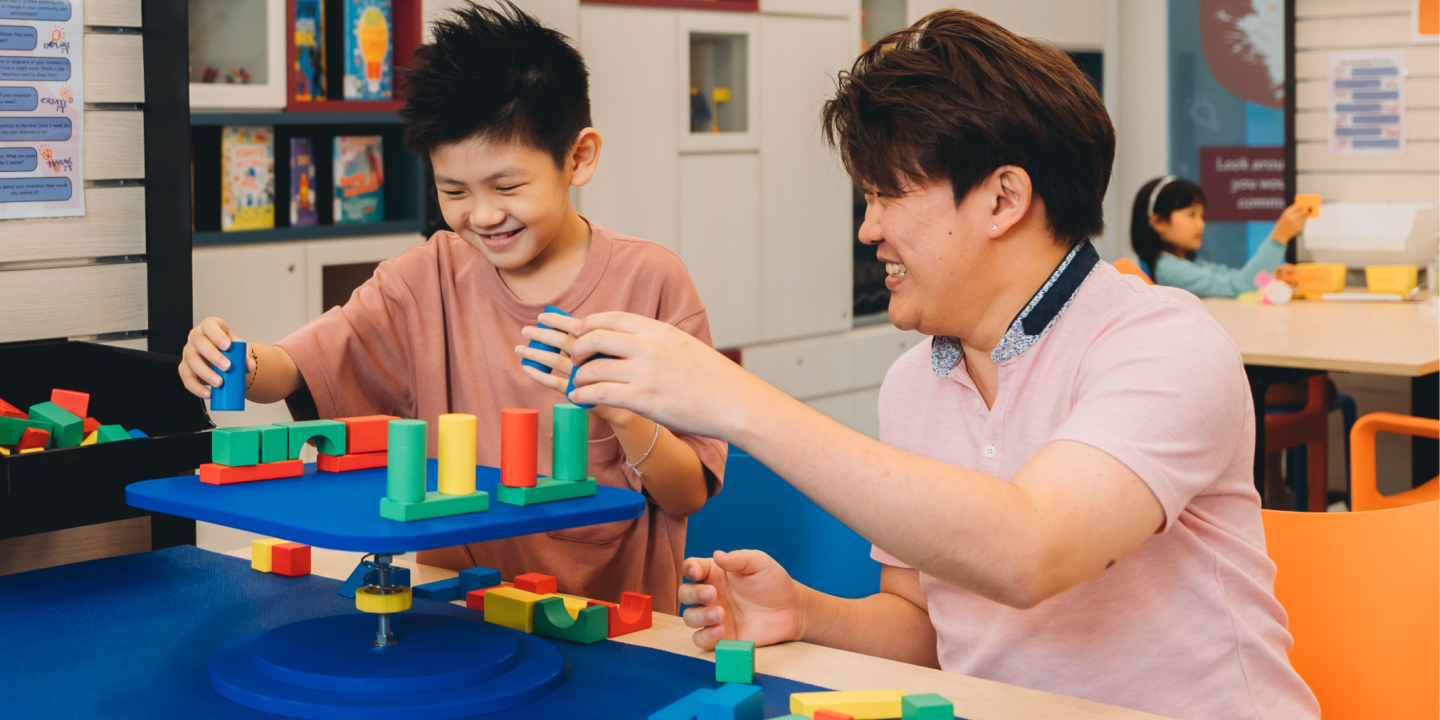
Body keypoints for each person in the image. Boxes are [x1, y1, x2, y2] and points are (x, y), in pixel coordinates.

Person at [543, 10, 1319, 720]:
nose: (869, 229)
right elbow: (930, 629)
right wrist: (807, 615)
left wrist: (737, 400)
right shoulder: (913, 383)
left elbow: (1028, 552)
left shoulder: (1163, 342)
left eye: (888, 196)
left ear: (1002, 199)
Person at [176, 2, 725, 613]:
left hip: (611, 631)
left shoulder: (652, 284)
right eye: (454, 191)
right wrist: (237, 362)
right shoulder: (425, 277)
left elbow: (686, 494)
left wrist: (622, 411)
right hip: (456, 621)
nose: (482, 216)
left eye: (508, 187)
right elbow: (301, 366)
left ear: (579, 157)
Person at [1132, 175, 1311, 297]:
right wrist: (1279, 238)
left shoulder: (1185, 262)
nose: (1201, 224)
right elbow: (1240, 287)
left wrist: (1271, 277)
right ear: (1159, 222)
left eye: (1201, 216)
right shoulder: (1170, 270)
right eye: (1191, 215)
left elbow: (1234, 278)